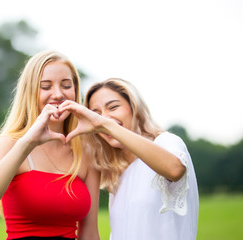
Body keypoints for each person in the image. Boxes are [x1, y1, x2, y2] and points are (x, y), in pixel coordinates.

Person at [0, 50, 100, 240]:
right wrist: (27, 143)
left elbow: (90, 233)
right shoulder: (9, 144)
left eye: (66, 85)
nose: (58, 94)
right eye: (46, 86)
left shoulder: (85, 151)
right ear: (30, 92)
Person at [58, 78, 199, 240]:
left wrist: (105, 123)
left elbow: (175, 169)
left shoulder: (166, 142)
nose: (104, 118)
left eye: (113, 107)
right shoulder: (116, 176)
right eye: (95, 115)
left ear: (134, 107)